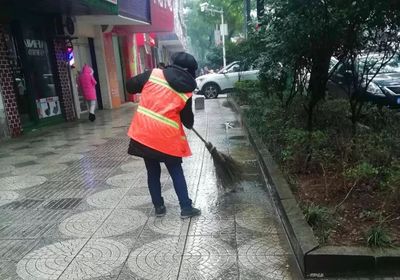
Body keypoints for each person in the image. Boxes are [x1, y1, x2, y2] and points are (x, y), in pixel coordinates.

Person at [126, 52, 201, 219]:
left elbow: (130, 86)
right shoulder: (187, 90)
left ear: (172, 63)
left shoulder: (153, 74)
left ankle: (159, 207)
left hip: (146, 134)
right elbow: (188, 121)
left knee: (152, 171)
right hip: (168, 139)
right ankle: (186, 208)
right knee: (175, 170)